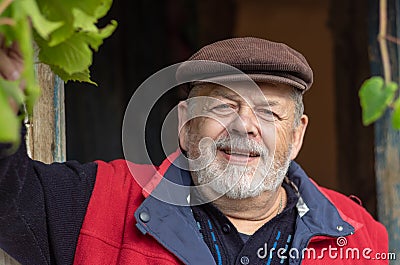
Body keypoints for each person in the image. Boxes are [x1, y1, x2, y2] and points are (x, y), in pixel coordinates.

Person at [0, 37, 388, 265]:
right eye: (222, 106)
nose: (244, 125)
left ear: (297, 135)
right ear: (186, 126)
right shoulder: (101, 201)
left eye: (268, 112)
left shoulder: (361, 236)